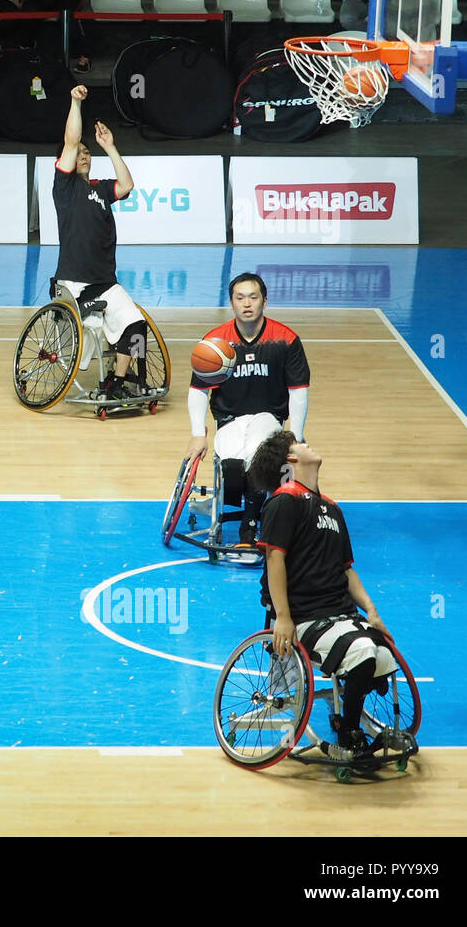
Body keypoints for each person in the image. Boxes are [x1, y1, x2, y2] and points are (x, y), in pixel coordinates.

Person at [247, 432, 397, 762]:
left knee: (383, 650)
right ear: (292, 461)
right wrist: (282, 616)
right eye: (299, 444)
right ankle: (348, 731)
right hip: (305, 616)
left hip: (342, 614)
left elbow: (347, 571)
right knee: (363, 655)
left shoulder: (332, 508)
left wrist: (371, 611)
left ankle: (353, 704)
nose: (308, 444)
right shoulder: (283, 501)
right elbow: (275, 559)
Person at [182, 273, 310, 547]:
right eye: (240, 298)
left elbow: (298, 390)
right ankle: (249, 510)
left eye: (253, 297)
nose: (247, 304)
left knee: (257, 453)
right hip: (229, 420)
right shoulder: (215, 343)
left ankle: (248, 527)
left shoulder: (285, 340)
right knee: (231, 463)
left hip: (269, 419)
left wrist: (296, 436)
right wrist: (197, 434)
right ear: (231, 302)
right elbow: (198, 390)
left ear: (265, 300)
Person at [50, 84, 147, 402]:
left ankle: (118, 382)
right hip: (75, 284)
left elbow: (127, 184)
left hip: (106, 282)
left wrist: (110, 147)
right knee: (91, 331)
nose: (83, 155)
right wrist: (75, 103)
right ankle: (99, 369)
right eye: (79, 154)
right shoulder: (64, 187)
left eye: (87, 153)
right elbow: (71, 140)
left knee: (136, 325)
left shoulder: (102, 189)